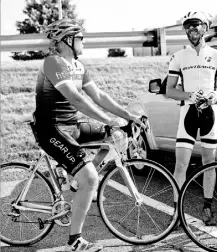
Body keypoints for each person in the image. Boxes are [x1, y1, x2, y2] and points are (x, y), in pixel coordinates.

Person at [33, 18, 143, 252]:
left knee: (115, 136)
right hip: (52, 129)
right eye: (80, 38)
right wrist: (106, 118)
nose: (84, 42)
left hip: (72, 126)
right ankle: (74, 241)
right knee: (91, 179)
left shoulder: (79, 66)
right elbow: (76, 98)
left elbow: (99, 96)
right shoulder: (53, 62)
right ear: (67, 40)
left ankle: (76, 180)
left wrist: (127, 116)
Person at [166, 11, 217, 226]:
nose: (191, 30)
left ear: (206, 27)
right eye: (187, 26)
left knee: (209, 163)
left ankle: (207, 207)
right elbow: (169, 90)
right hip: (188, 113)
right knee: (181, 165)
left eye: (195, 25)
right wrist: (189, 96)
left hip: (210, 113)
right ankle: (176, 211)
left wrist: (216, 95)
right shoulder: (178, 57)